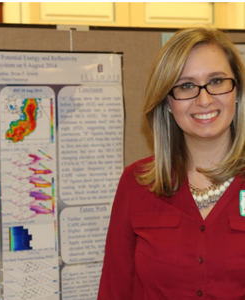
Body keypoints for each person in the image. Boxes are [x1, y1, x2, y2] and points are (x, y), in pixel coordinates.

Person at [97, 27, 245, 299]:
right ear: (167, 101)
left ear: (237, 90)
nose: (204, 99)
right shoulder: (136, 183)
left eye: (216, 81)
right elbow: (114, 289)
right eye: (186, 85)